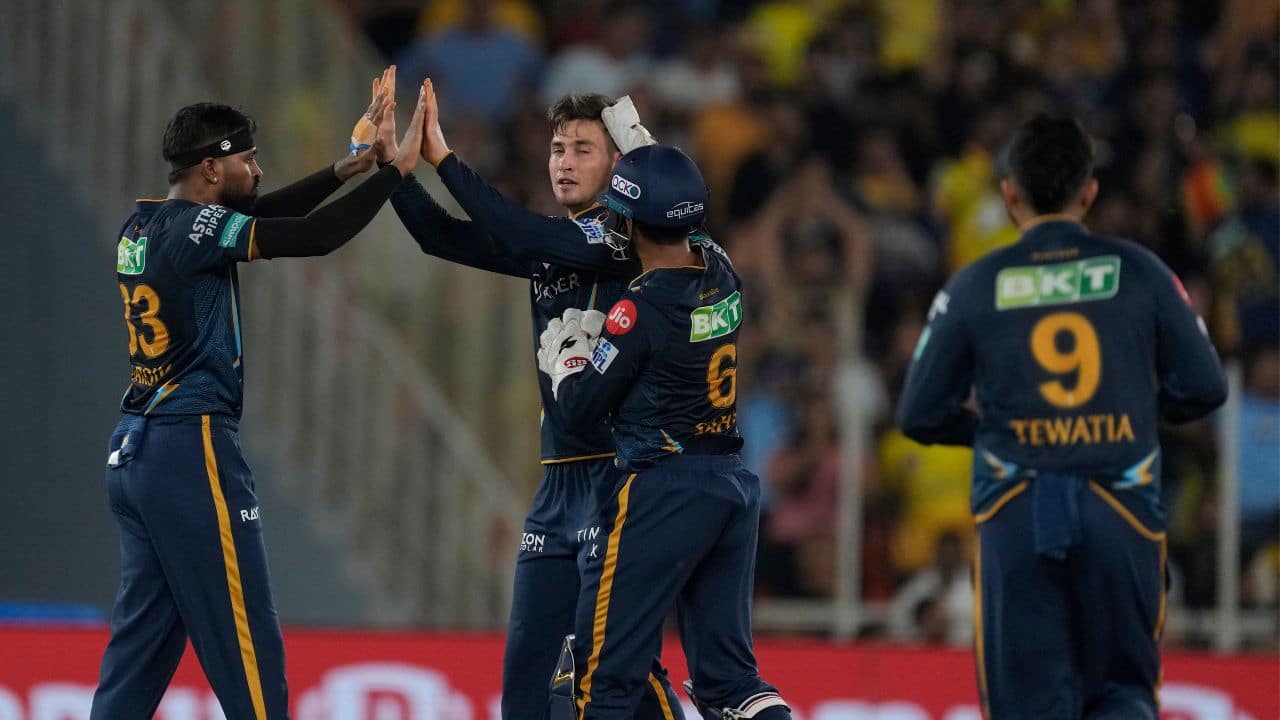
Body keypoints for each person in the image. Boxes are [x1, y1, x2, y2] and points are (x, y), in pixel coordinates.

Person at [91, 75, 430, 720]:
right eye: (248, 159)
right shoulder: (197, 232)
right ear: (212, 168)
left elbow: (271, 213)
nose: (259, 167)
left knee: (139, 656)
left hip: (136, 452)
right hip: (191, 450)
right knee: (249, 650)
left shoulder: (142, 224)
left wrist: (350, 166)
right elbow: (314, 236)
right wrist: (395, 174)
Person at [897, 113, 1227, 719]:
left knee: (1026, 704)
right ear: (1090, 192)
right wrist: (1134, 415)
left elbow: (918, 412)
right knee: (1123, 695)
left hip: (1017, 506)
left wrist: (995, 431)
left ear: (1009, 194)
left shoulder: (975, 284)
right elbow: (1205, 386)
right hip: (1120, 501)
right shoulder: (1143, 272)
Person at [376, 71, 681, 719]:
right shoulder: (555, 244)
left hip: (617, 483)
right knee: (526, 689)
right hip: (555, 493)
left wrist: (443, 159)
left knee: (614, 678)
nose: (564, 163)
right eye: (557, 149)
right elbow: (440, 235)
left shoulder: (622, 239)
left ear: (618, 164)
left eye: (582, 150)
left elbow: (528, 234)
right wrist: (390, 171)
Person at [539, 144, 792, 720]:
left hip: (661, 492)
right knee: (731, 685)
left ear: (627, 222)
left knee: (596, 679)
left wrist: (567, 359)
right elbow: (688, 229)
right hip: (731, 486)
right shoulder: (723, 272)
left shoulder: (639, 310)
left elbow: (579, 410)